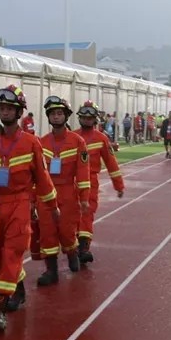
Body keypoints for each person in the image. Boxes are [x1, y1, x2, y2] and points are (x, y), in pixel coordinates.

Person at [0, 85, 58, 331]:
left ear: (19, 112)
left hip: (20, 203)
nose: (4, 112)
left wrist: (52, 205)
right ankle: (19, 290)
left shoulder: (31, 143)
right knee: (0, 255)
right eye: (1, 108)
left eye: (9, 108)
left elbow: (44, 179)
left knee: (13, 253)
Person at [36, 96, 90, 285]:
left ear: (66, 116)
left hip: (68, 193)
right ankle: (51, 271)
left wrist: (84, 198)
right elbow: (35, 173)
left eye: (59, 113)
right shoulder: (40, 143)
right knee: (47, 232)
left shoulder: (78, 142)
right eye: (52, 114)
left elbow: (83, 172)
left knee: (67, 231)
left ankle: (72, 252)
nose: (56, 117)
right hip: (45, 195)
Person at [74, 101, 124, 263]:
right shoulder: (72, 137)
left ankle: (83, 248)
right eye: (84, 117)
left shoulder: (101, 138)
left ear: (95, 119)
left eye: (90, 118)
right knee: (72, 215)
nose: (87, 120)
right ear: (79, 118)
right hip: (71, 183)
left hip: (91, 183)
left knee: (87, 213)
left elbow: (111, 164)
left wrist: (119, 185)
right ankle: (73, 246)